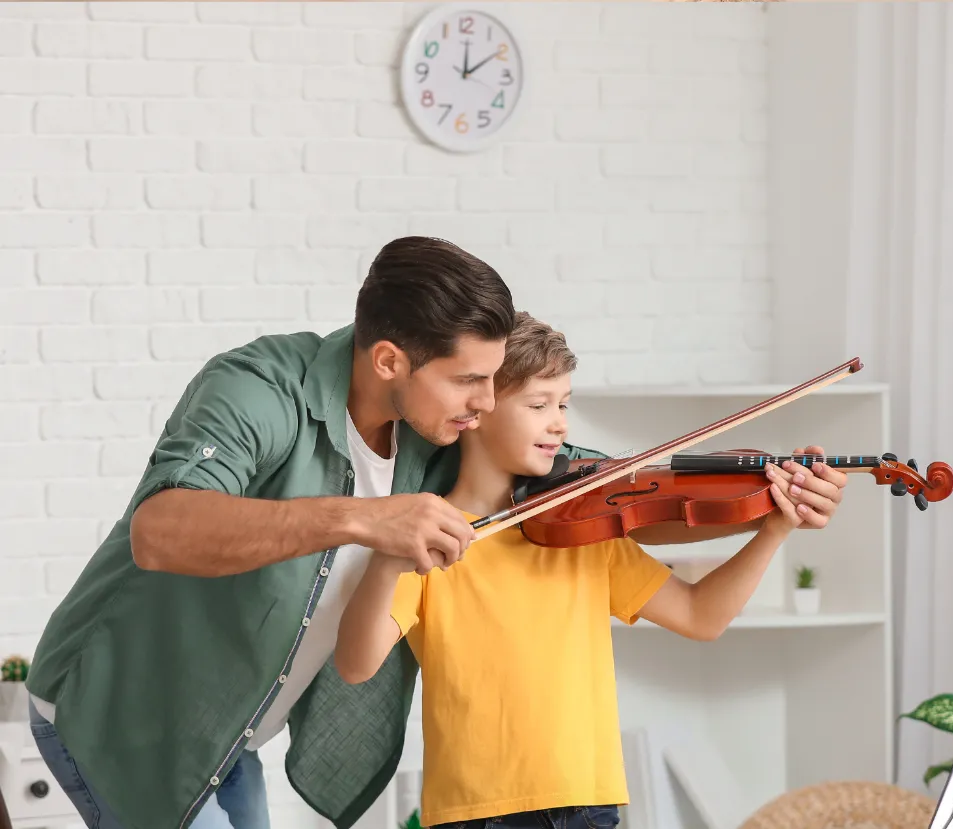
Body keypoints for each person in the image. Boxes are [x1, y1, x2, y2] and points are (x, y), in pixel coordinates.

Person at [24, 234, 843, 829]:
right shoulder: (258, 389)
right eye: (469, 381)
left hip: (229, 728)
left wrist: (765, 498)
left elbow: (606, 495)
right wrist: (362, 519)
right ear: (390, 361)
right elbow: (162, 530)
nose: (485, 403)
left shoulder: (439, 430)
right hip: (127, 707)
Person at [334, 312, 848, 829]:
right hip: (477, 813)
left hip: (588, 804)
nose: (560, 423)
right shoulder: (433, 536)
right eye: (539, 405)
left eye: (563, 404)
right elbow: (355, 665)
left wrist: (774, 531)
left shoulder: (585, 531)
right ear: (478, 409)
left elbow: (700, 616)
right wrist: (389, 559)